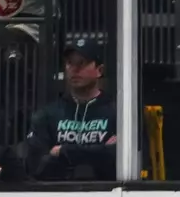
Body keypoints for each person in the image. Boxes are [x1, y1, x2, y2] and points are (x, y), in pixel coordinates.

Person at [25, 38, 117, 180]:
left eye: (82, 63)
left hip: (107, 194)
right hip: (56, 195)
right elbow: (35, 166)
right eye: (70, 63)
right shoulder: (47, 115)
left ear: (100, 70)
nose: (75, 69)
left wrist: (62, 151)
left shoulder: (116, 113)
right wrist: (100, 151)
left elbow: (117, 159)